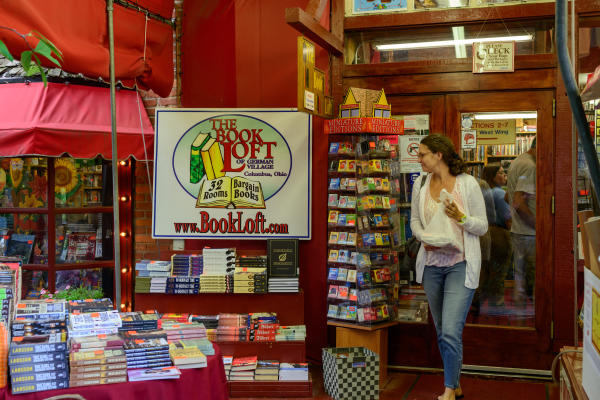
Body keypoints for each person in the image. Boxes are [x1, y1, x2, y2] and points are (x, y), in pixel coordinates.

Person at [410, 134, 488, 400]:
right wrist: (424, 238)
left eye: (422, 154)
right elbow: (413, 221)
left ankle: (448, 392)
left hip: (460, 264)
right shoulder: (420, 183)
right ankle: (455, 383)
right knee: (443, 329)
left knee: (452, 329)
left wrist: (461, 217)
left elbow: (482, 225)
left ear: (438, 155)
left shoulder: (467, 185)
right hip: (431, 265)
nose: (418, 159)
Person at [506, 138, 536, 307]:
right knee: (534, 278)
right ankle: (534, 323)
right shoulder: (530, 166)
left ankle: (520, 318)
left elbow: (508, 197)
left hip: (518, 231)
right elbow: (518, 201)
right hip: (530, 233)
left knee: (520, 278)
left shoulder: (517, 161)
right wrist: (539, 224)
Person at [480, 164, 513, 308]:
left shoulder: (486, 192)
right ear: (493, 177)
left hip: (487, 233)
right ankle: (498, 304)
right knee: (499, 271)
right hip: (500, 235)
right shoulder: (499, 193)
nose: (504, 175)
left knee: (486, 271)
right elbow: (508, 218)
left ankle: (476, 303)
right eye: (500, 173)